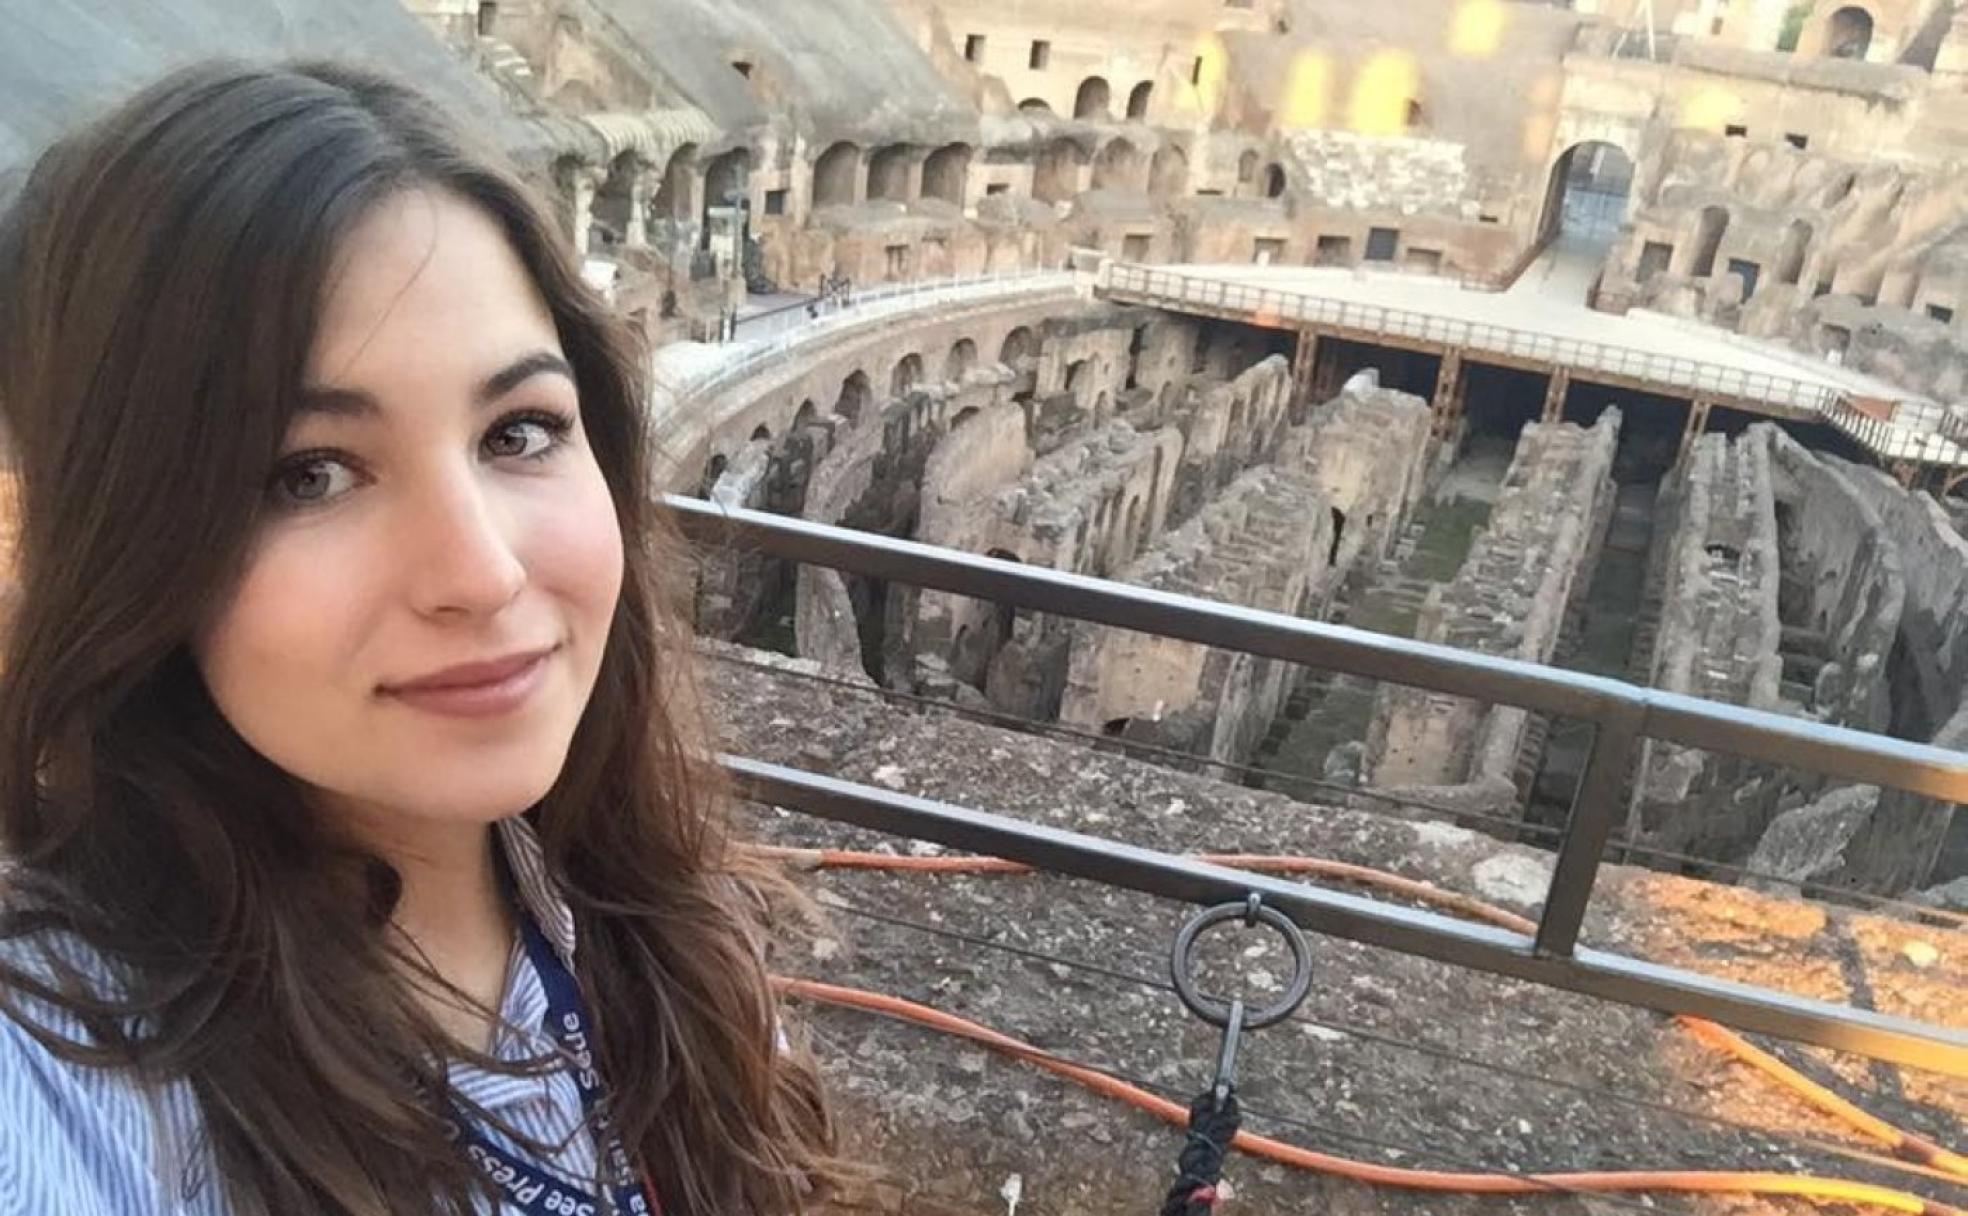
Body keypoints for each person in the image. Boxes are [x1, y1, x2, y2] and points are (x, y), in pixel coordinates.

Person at [0, 60, 835, 1215]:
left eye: (520, 431)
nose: (482, 573)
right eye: (309, 473)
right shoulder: (56, 1072)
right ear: (135, 536)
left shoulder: (667, 940)